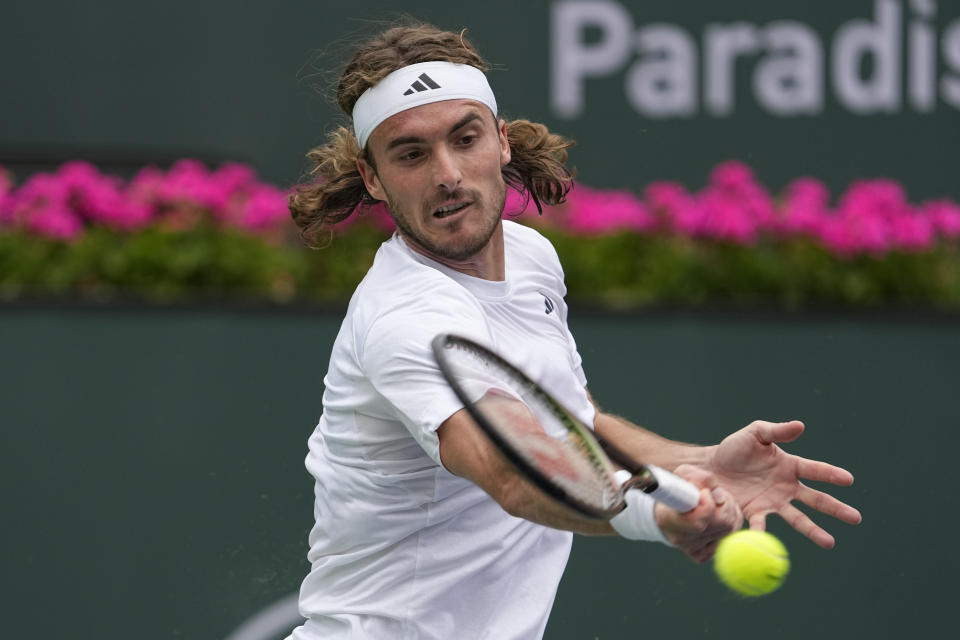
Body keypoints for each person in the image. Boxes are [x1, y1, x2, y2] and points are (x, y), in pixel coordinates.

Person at [285, 23, 861, 640]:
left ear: (501, 142)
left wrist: (703, 463)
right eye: (411, 154)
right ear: (373, 178)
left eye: (465, 138)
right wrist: (653, 512)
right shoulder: (406, 320)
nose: (447, 173)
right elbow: (511, 470)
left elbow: (572, 423)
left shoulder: (531, 258)